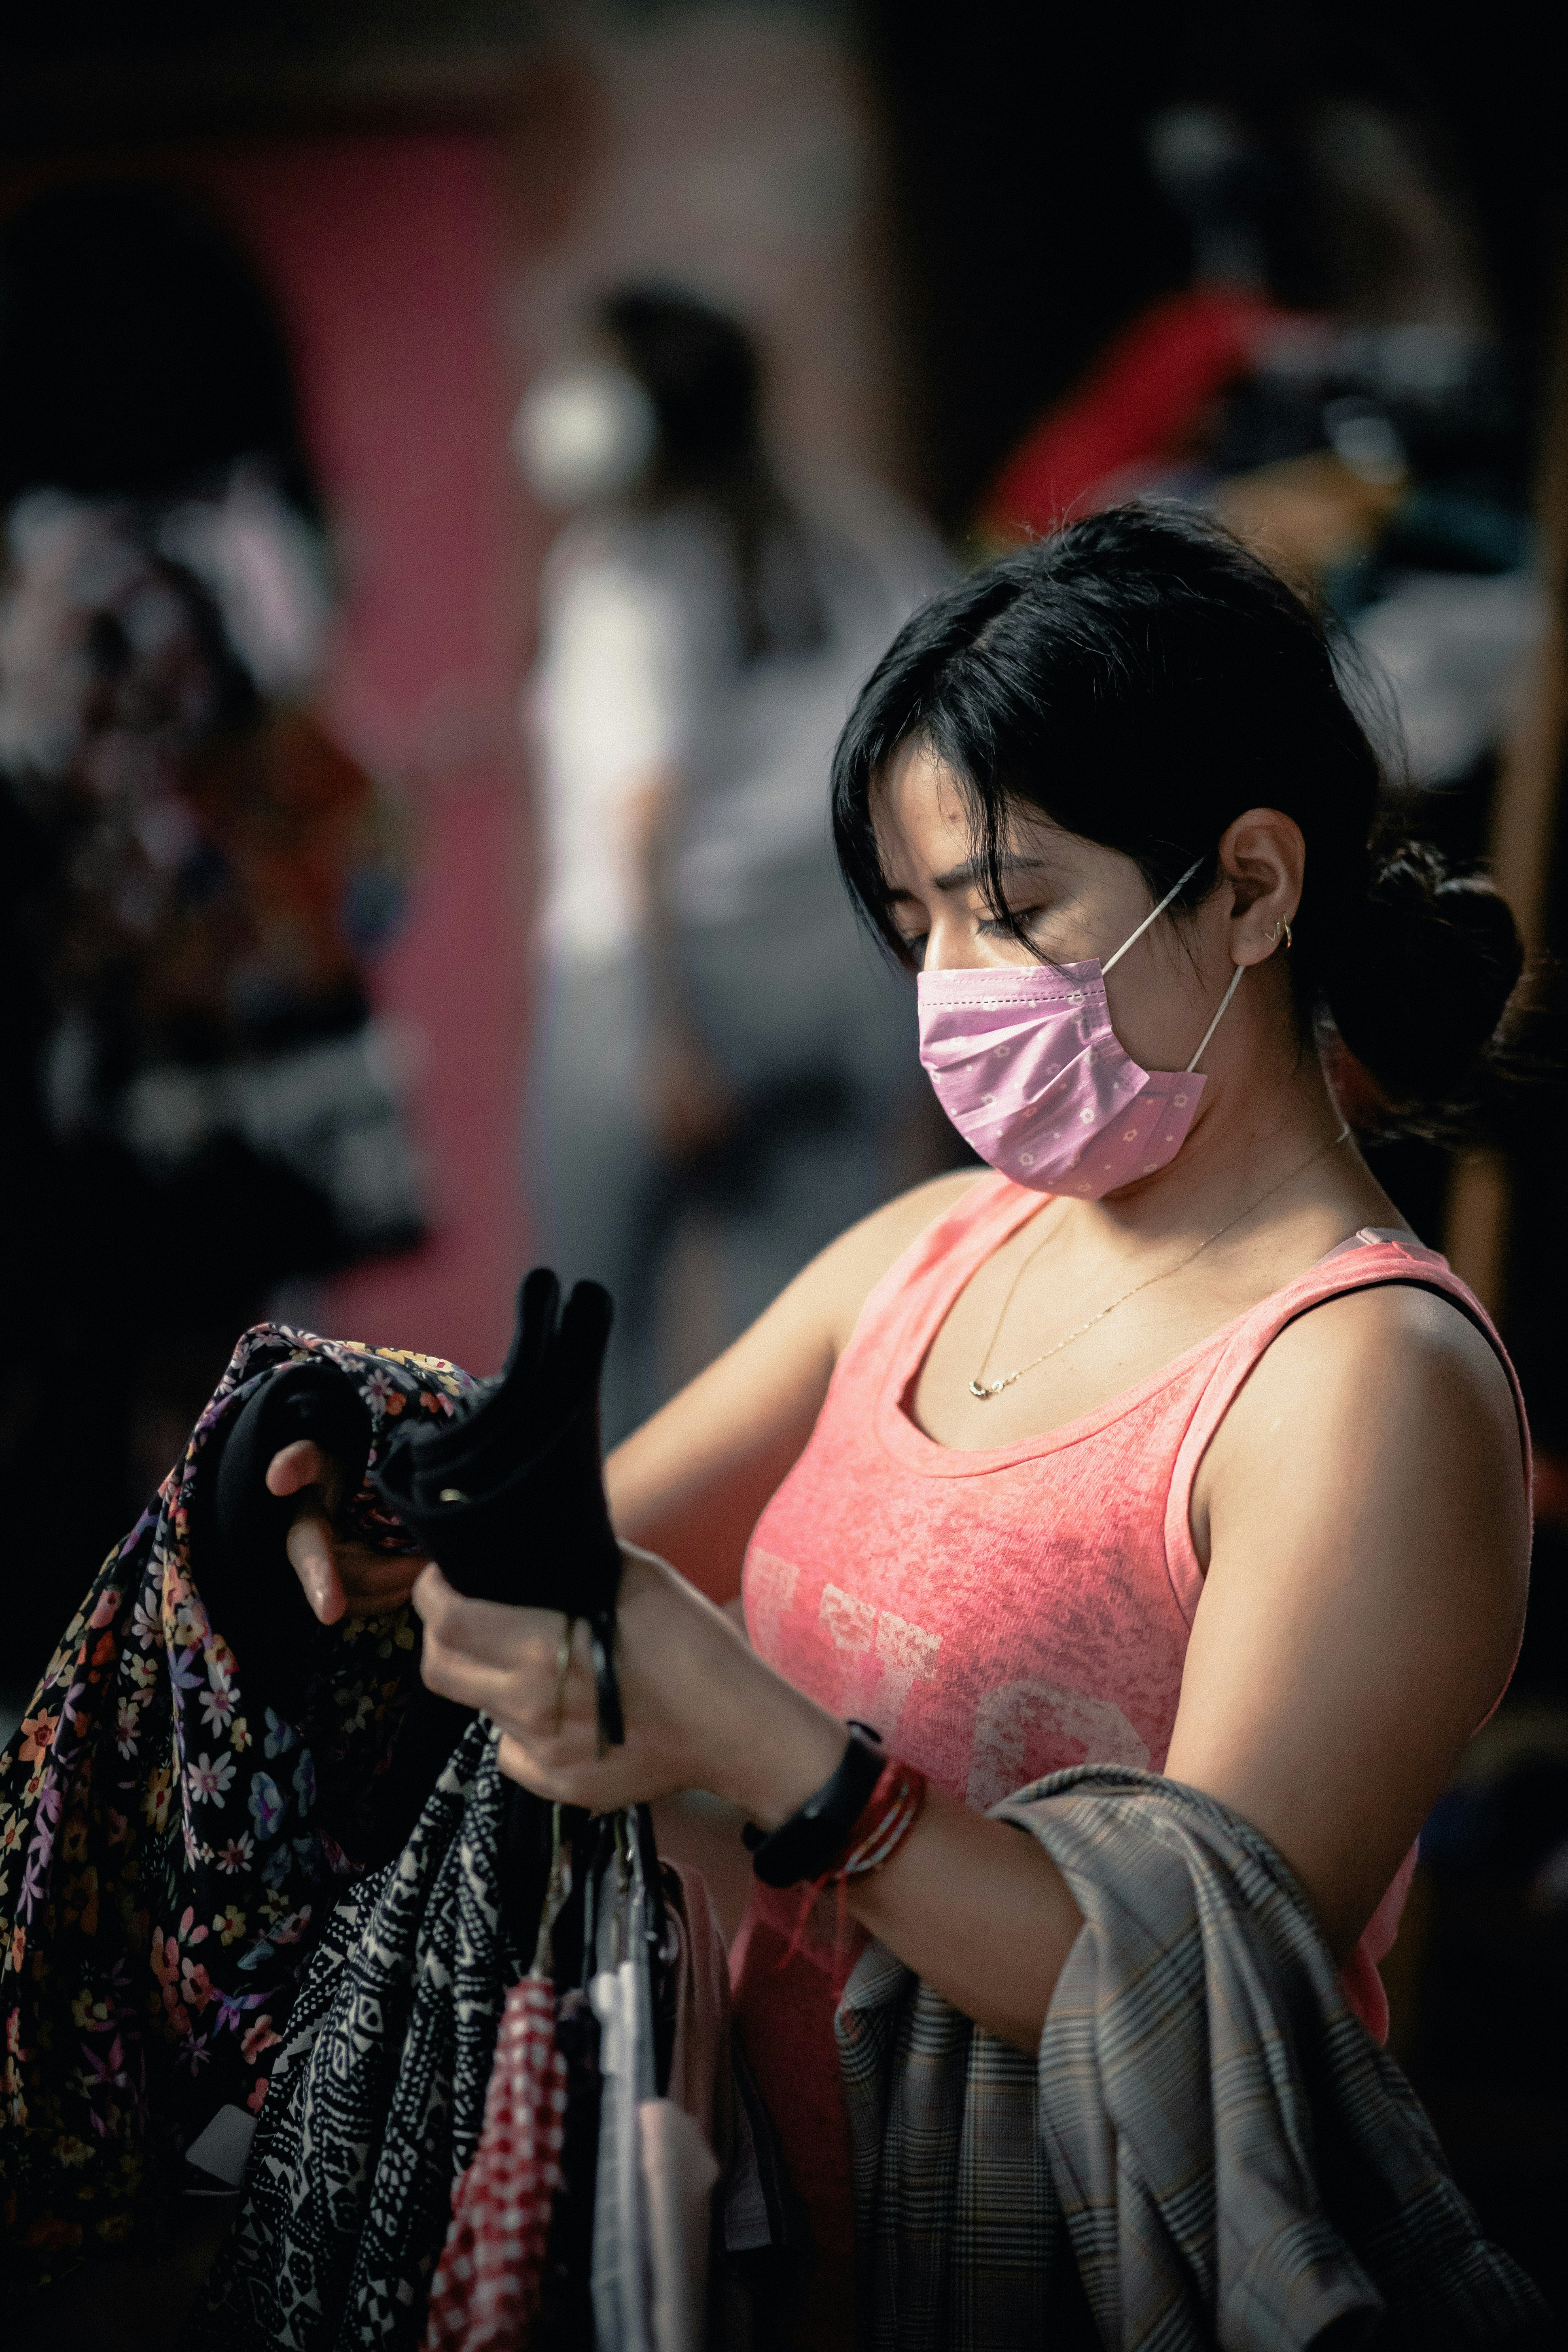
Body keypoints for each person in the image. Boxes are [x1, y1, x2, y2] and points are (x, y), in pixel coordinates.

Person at [270, 506, 1530, 2339]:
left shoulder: (1363, 1385)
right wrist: (372, 1510)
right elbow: (573, 1557)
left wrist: (763, 1742)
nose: (955, 982)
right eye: (920, 915)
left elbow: (1180, 2002)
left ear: (1254, 887)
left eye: (1015, 908)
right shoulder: (928, 1254)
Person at [519, 284, 948, 1441]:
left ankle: (594, 1599)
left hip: (657, 978)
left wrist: (666, 1030)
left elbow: (641, 809)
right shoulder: (857, 534)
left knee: (591, 1345)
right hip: (841, 963)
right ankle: (772, 1609)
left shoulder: (626, 566)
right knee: (801, 1342)